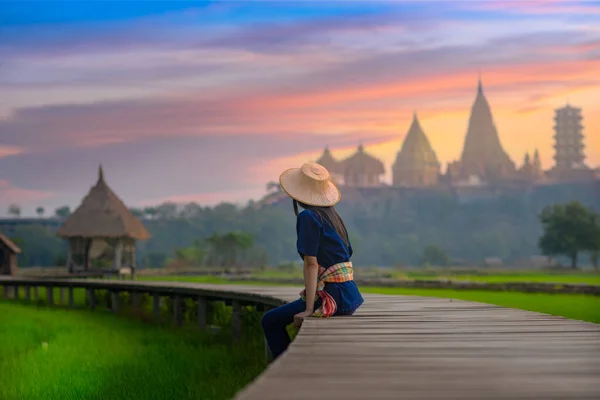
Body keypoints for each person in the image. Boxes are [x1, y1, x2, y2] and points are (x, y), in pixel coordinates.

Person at [261, 162, 364, 359]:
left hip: (332, 298)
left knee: (270, 321)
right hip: (349, 295)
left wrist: (309, 309)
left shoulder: (308, 216)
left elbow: (311, 264)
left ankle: (287, 369)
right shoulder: (333, 216)